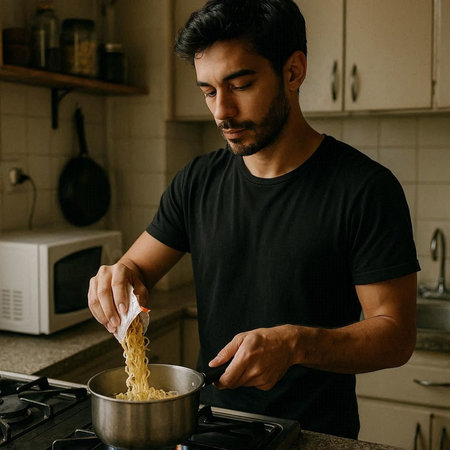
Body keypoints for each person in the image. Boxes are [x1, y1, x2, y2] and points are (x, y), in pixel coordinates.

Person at [88, 0, 420, 439]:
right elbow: (135, 269)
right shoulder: (197, 181)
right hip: (208, 427)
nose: (221, 111)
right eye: (208, 91)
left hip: (313, 435)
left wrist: (295, 343)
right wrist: (117, 279)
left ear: (293, 71)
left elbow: (395, 336)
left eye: (240, 84)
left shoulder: (365, 189)